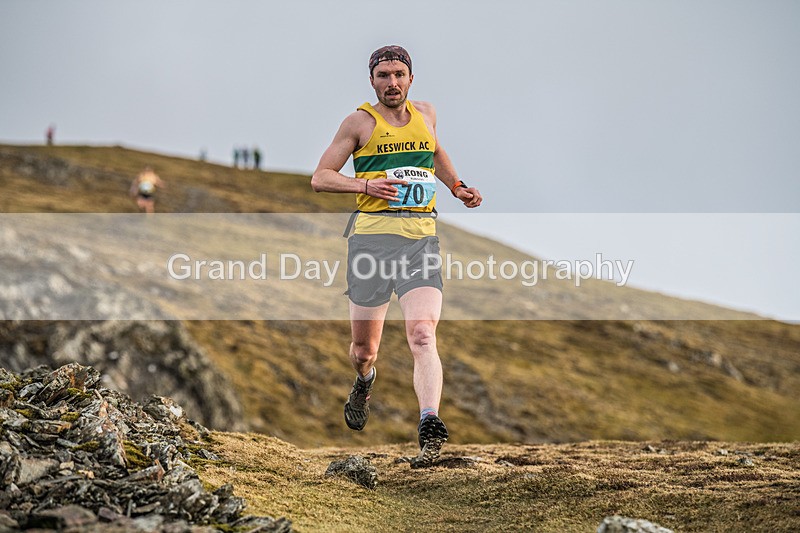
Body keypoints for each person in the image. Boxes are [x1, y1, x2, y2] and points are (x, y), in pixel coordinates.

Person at [311, 45, 482, 467]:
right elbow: (321, 177)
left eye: (399, 75)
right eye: (383, 75)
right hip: (370, 244)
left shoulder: (426, 114)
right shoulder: (358, 123)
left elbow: (434, 150)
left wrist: (456, 185)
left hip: (420, 241)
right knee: (364, 349)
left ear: (411, 78)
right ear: (372, 80)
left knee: (422, 333)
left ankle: (429, 424)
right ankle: (364, 381)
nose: (392, 83)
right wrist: (366, 186)